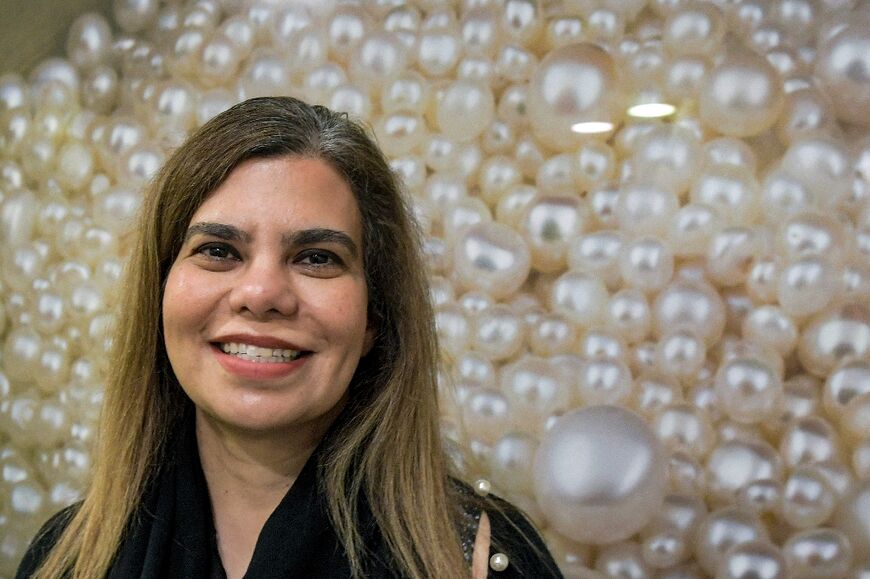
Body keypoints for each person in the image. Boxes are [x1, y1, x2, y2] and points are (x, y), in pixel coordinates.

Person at [17, 97, 562, 578]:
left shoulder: (481, 561)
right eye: (218, 250)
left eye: (317, 258)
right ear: (160, 294)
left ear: (376, 316)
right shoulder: (64, 560)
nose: (261, 292)